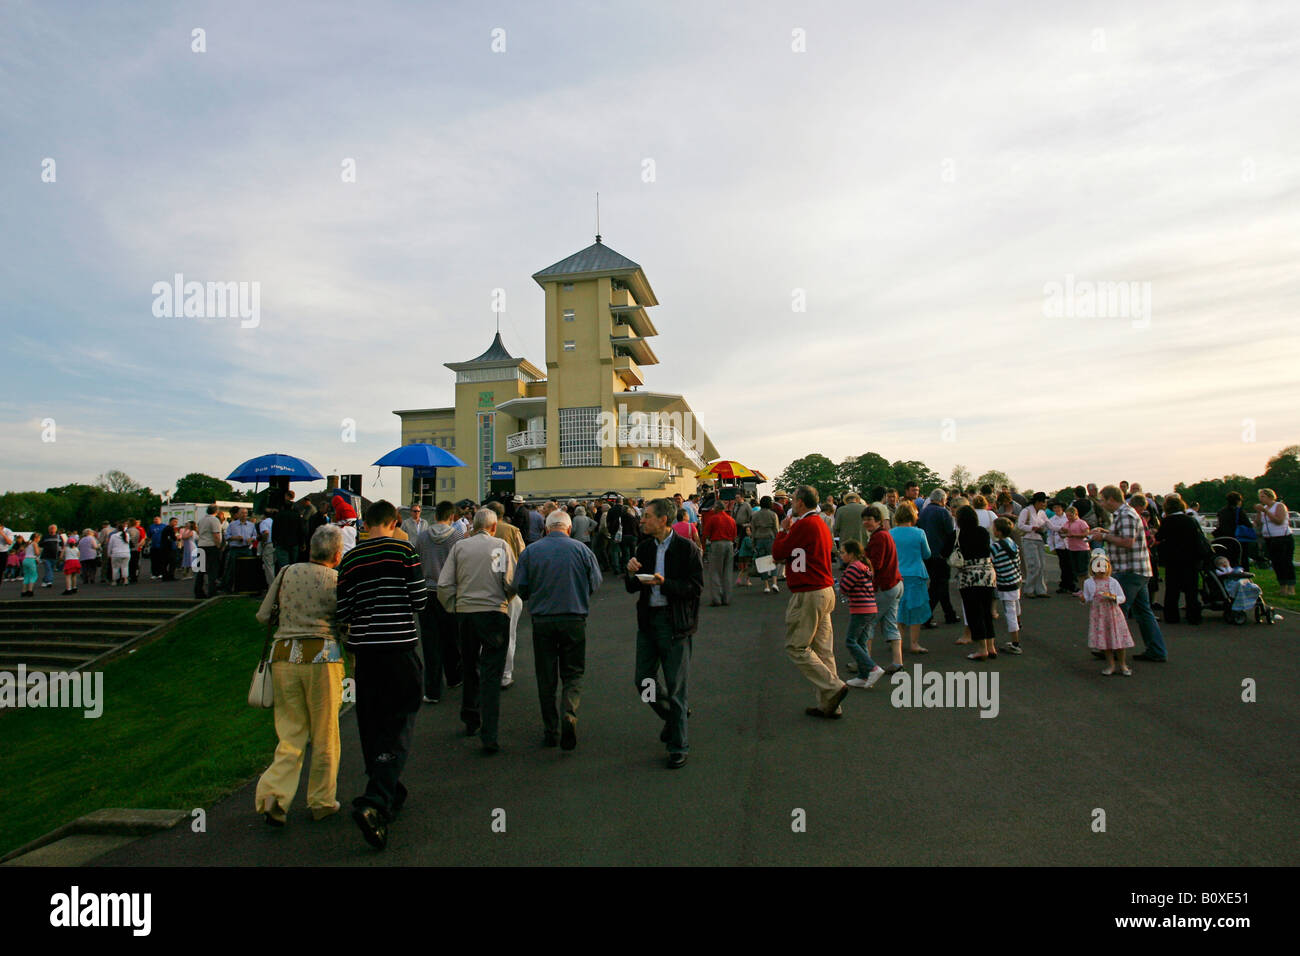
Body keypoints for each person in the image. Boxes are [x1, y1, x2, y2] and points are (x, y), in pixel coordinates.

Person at [335, 500, 428, 850]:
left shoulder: (351, 558)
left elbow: (343, 608)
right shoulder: (404, 550)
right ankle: (374, 801)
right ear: (395, 521)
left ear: (367, 523)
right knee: (400, 722)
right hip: (399, 648)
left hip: (365, 653)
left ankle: (390, 792)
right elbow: (419, 601)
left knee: (372, 725)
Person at [254, 524, 347, 826]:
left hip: (283, 655)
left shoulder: (287, 572)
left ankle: (274, 796)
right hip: (323, 656)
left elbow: (264, 614)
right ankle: (321, 800)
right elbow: (345, 622)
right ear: (337, 553)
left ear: (309, 548)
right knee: (325, 733)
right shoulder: (336, 580)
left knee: (290, 731)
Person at [514, 509, 602, 750]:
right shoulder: (582, 550)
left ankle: (550, 729)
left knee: (546, 675)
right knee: (573, 672)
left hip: (542, 620)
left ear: (546, 527)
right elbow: (595, 582)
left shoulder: (531, 551)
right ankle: (569, 712)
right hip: (574, 618)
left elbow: (520, 586)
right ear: (569, 528)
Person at [626, 497, 702, 769]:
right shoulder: (644, 547)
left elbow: (694, 588)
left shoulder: (686, 549)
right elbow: (632, 588)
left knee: (676, 685)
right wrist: (631, 573)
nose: (642, 520)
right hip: (648, 622)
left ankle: (678, 745)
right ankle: (672, 717)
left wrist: (664, 583)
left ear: (662, 520)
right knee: (643, 680)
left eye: (646, 516)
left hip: (675, 624)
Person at [438, 508, 516, 754]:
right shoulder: (500, 546)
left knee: (469, 664)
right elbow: (510, 581)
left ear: (473, 525)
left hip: (467, 613)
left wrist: (454, 605)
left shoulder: (460, 547)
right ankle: (489, 733)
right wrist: (506, 599)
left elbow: (444, 583)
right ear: (494, 527)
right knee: (492, 673)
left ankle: (470, 716)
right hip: (494, 611)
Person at [772, 485, 848, 720]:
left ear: (801, 502)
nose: (791, 503)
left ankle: (833, 687)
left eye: (793, 499)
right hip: (824, 589)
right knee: (823, 650)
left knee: (797, 646)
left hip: (809, 592)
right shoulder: (820, 524)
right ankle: (830, 704)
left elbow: (779, 552)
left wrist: (783, 531)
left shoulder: (804, 524)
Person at [1089, 485, 1167, 663]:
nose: (1101, 504)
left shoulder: (1125, 515)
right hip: (1137, 569)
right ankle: (1156, 649)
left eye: (1102, 500)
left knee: (1116, 610)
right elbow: (1126, 536)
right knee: (1143, 612)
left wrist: (1105, 537)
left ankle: (1113, 649)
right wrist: (1106, 532)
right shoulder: (1126, 514)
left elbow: (1127, 541)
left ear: (1111, 499)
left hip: (1129, 570)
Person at [415, 500, 464, 704]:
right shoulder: (457, 537)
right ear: (452, 517)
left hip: (427, 591)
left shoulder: (422, 536)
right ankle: (453, 676)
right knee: (451, 638)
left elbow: (417, 560)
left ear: (435, 516)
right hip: (449, 591)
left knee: (430, 641)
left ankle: (432, 689)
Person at [485, 500, 526, 690]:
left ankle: (486, 669)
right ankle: (506, 674)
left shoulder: (479, 532)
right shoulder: (512, 530)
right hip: (510, 589)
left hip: (486, 587)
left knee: (486, 632)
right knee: (509, 634)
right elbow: (523, 556)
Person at [862, 504, 904, 671]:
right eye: (864, 520)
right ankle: (897, 661)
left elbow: (875, 564)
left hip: (885, 585)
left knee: (868, 623)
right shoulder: (884, 535)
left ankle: (866, 663)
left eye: (869, 520)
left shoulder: (878, 538)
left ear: (878, 520)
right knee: (891, 624)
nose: (866, 523)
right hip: (895, 583)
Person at [839, 539, 884, 689]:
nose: (841, 555)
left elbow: (844, 588)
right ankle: (864, 675)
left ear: (851, 554)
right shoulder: (865, 566)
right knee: (861, 642)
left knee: (850, 641)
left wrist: (837, 585)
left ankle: (872, 668)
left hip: (860, 609)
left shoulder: (853, 568)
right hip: (870, 608)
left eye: (843, 552)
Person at [954, 505, 997, 661]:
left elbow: (945, 552)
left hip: (969, 575)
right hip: (987, 573)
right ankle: (991, 646)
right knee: (986, 611)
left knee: (974, 612)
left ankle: (981, 649)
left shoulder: (958, 535)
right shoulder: (983, 532)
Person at [1155, 494, 1206, 624]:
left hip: (1173, 559)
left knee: (1172, 589)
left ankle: (1172, 616)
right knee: (1191, 589)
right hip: (1191, 558)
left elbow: (1159, 537)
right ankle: (1193, 616)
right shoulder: (1190, 520)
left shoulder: (1167, 521)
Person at [1080, 552, 1133, 676]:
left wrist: (1113, 597)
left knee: (1119, 641)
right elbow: (1087, 597)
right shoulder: (1089, 582)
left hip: (1113, 614)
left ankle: (1123, 664)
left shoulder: (1113, 582)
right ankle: (1111, 665)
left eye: (1104, 566)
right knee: (1105, 641)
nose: (1101, 570)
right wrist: (1082, 598)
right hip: (1099, 615)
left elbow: (1122, 597)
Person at [890, 501, 932, 651]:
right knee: (915, 609)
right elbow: (927, 554)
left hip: (897, 574)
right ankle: (914, 643)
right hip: (916, 574)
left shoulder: (891, 533)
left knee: (898, 609)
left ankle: (898, 643)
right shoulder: (919, 533)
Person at [918, 489, 959, 624]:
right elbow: (950, 533)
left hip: (927, 554)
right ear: (942, 499)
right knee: (938, 585)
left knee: (940, 584)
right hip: (940, 553)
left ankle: (949, 613)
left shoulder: (922, 513)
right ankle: (926, 615)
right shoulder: (943, 512)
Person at [991, 517, 1024, 653]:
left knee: (1009, 611)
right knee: (1016, 606)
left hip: (1005, 583)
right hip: (1016, 580)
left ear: (998, 532)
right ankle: (1018, 625)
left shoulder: (995, 547)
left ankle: (1015, 643)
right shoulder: (1013, 544)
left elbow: (990, 561)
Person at [1255, 488, 1295, 596]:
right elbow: (1258, 523)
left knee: (1286, 562)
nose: (1261, 499)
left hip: (1282, 537)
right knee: (1276, 563)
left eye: (1263, 496)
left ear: (1270, 496)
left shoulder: (1279, 506)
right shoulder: (1264, 508)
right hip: (1269, 538)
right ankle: (1282, 587)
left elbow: (1279, 521)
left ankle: (1291, 588)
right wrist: (1259, 512)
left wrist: (1266, 512)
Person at [700, 500, 737, 607]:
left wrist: (703, 547)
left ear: (716, 508)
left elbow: (705, 533)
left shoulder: (713, 519)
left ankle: (716, 598)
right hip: (729, 544)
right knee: (727, 571)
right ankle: (727, 598)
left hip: (716, 543)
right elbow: (734, 535)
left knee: (715, 571)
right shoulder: (731, 519)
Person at [1016, 492, 1051, 598]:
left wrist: (1061, 529)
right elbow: (1021, 525)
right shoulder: (1026, 511)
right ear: (1038, 502)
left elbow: (1049, 524)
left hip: (1039, 539)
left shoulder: (1042, 513)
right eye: (1043, 502)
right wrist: (1032, 528)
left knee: (1041, 566)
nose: (1044, 504)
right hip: (1028, 539)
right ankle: (1029, 589)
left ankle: (1040, 589)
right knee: (1034, 565)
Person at [221, 507, 257, 592]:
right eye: (242, 513)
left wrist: (251, 539)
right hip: (235, 549)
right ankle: (229, 588)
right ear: (238, 514)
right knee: (232, 568)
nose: (244, 515)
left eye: (245, 513)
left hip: (246, 548)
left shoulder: (251, 525)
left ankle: (245, 587)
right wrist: (235, 538)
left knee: (247, 568)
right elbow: (226, 536)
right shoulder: (232, 525)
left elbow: (255, 535)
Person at [751, 496, 781, 593]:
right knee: (772, 560)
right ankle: (775, 583)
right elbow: (776, 529)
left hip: (759, 538)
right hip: (770, 538)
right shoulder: (773, 514)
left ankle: (766, 585)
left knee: (762, 562)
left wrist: (753, 542)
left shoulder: (755, 515)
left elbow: (753, 529)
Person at [1062, 506, 1091, 592]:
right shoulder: (1067, 523)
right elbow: (1064, 530)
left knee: (1084, 571)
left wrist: (1075, 535)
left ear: (1076, 514)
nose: (1069, 518)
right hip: (1072, 548)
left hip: (1082, 549)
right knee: (1077, 571)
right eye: (1067, 516)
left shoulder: (1081, 522)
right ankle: (1082, 589)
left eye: (1070, 516)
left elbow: (1087, 533)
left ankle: (1088, 589)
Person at [39, 524, 61, 589]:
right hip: (46, 555)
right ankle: (49, 581)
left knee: (50, 569)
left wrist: (61, 555)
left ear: (56, 529)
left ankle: (44, 581)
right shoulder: (45, 536)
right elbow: (40, 544)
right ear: (49, 530)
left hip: (55, 556)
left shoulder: (58, 537)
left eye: (54, 528)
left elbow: (62, 545)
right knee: (48, 569)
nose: (52, 530)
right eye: (51, 528)